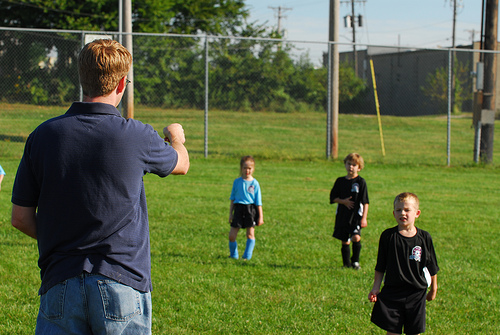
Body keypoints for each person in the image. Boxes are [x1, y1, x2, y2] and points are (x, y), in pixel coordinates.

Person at [11, 39, 189, 335]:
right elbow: (181, 164)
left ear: (81, 80)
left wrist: (64, 238)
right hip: (122, 281)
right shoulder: (136, 135)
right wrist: (177, 136)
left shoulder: (43, 136)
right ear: (121, 84)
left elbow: (20, 218)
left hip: (60, 281)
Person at [368, 192, 439, 335]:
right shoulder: (388, 236)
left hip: (416, 293)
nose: (403, 213)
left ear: (417, 213)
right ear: (394, 213)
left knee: (414, 332)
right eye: (399, 210)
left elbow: (432, 266)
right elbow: (381, 265)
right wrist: (376, 287)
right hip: (392, 293)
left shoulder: (424, 237)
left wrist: (433, 289)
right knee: (392, 332)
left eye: (407, 210)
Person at [329, 153, 369, 269]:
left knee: (356, 237)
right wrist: (343, 202)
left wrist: (364, 218)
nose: (351, 167)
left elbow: (365, 201)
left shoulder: (361, 182)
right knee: (345, 240)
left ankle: (355, 262)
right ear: (345, 165)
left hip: (356, 215)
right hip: (342, 215)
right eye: (348, 164)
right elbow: (333, 198)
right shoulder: (340, 181)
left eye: (354, 165)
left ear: (359, 168)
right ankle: (346, 264)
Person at [228, 155, 264, 260]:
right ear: (241, 168)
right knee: (232, 236)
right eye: (245, 168)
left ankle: (247, 257)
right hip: (238, 209)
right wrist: (231, 213)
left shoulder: (255, 184)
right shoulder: (237, 182)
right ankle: (233, 255)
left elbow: (258, 202)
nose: (247, 170)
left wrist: (260, 217)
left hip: (250, 210)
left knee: (250, 234)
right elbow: (232, 199)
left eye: (249, 168)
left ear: (253, 169)